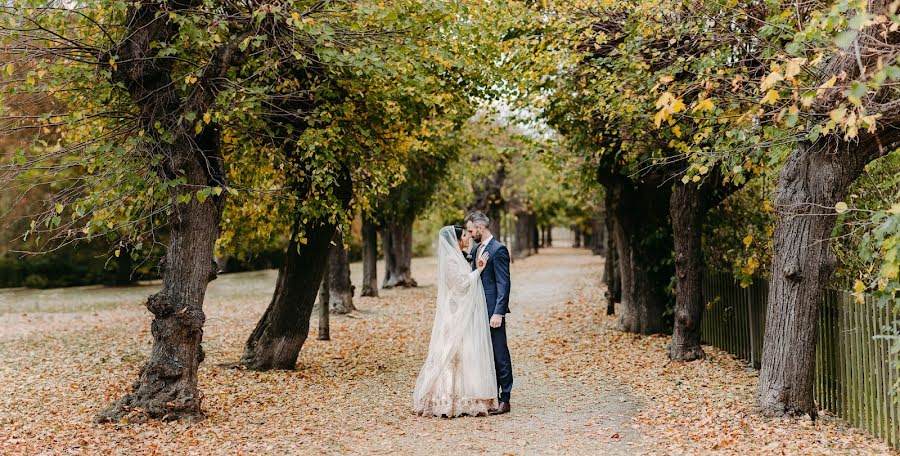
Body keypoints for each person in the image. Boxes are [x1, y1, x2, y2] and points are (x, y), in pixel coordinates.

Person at [412, 225, 498, 417]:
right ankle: (446, 399)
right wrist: (479, 271)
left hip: (463, 310)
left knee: (466, 352)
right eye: (465, 235)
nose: (468, 238)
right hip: (455, 312)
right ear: (456, 239)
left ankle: (470, 395)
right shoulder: (450, 260)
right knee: (452, 352)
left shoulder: (459, 257)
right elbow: (461, 284)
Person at [465, 211, 513, 415]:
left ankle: (506, 399)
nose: (469, 234)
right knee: (484, 354)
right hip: (477, 311)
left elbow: (504, 283)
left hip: (493, 312)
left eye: (470, 230)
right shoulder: (476, 250)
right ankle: (491, 393)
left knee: (499, 353)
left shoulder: (498, 249)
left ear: (480, 228)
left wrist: (498, 312)